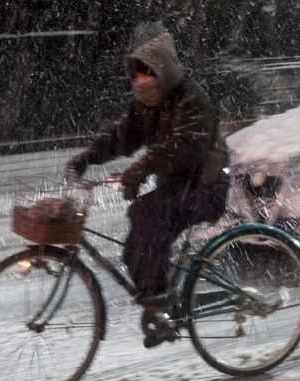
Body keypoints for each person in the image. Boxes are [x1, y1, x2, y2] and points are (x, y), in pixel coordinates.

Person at [66, 22, 230, 347]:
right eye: (135, 77)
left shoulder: (189, 99)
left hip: (205, 186)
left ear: (162, 73)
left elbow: (183, 147)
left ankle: (159, 301)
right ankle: (158, 302)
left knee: (148, 216)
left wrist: (142, 168)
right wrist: (85, 158)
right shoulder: (147, 106)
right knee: (139, 231)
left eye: (146, 75)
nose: (139, 83)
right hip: (177, 186)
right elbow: (120, 135)